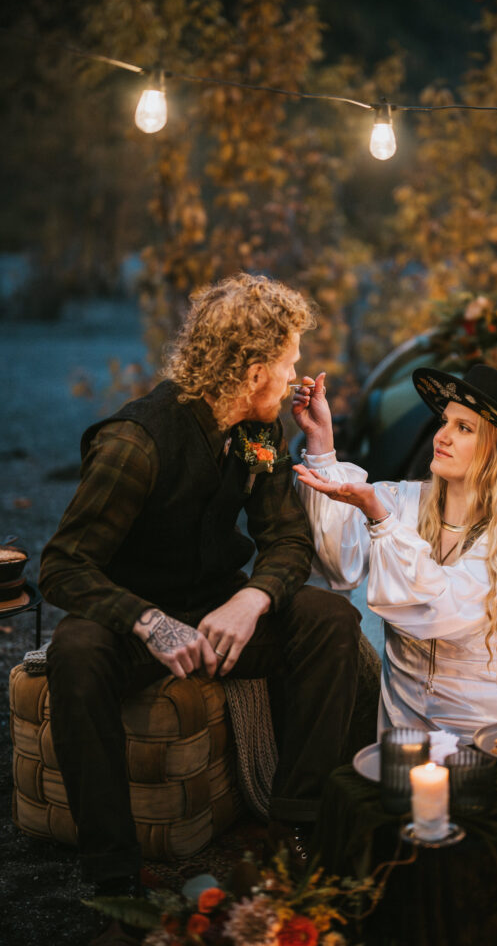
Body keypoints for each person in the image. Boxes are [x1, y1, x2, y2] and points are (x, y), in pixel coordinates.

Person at [39, 274, 361, 920]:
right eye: (290, 362)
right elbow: (62, 566)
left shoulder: (256, 432)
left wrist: (254, 600)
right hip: (137, 623)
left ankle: (294, 830)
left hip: (218, 616)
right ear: (251, 372)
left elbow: (287, 544)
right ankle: (112, 874)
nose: (298, 373)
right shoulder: (134, 444)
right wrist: (146, 620)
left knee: (331, 618)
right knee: (74, 651)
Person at [292, 364, 497, 740]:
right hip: (409, 731)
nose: (442, 436)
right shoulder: (399, 502)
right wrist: (320, 441)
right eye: (445, 421)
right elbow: (340, 563)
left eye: (463, 428)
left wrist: (381, 521)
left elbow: (443, 610)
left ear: (496, 451)